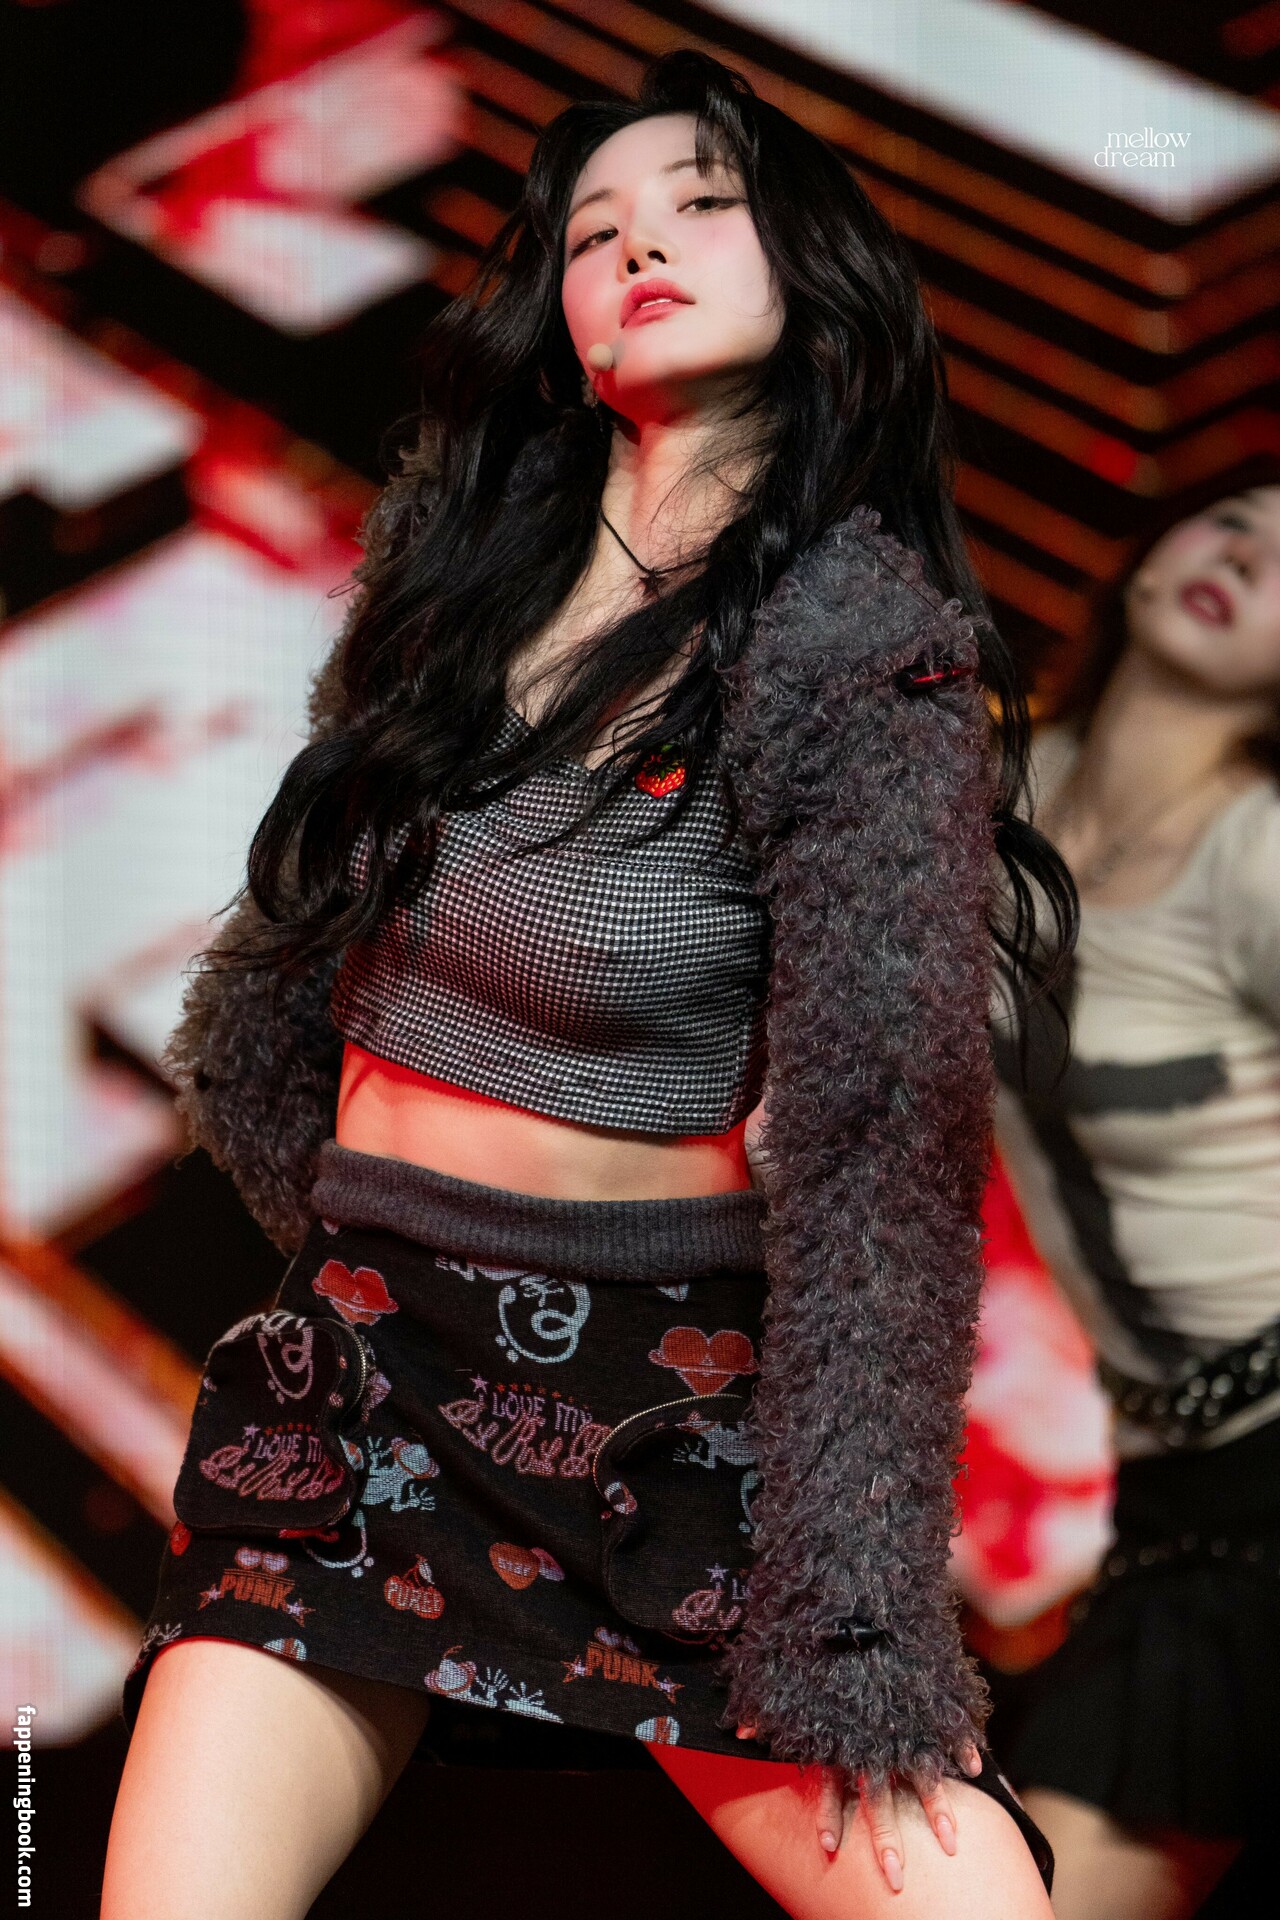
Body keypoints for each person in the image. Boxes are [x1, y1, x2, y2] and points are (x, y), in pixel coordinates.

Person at [102, 51, 1070, 1920]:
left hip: (661, 1420)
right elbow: (294, 969)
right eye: (593, 231)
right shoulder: (455, 575)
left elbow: (882, 1166)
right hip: (369, 1369)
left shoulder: (863, 656)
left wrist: (856, 1604)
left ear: (812, 265)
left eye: (701, 203)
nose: (638, 247)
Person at [990, 466, 1280, 1920]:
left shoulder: (1261, 854)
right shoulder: (1000, 794)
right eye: (1234, 520)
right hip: (1177, 1490)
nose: (1250, 557)